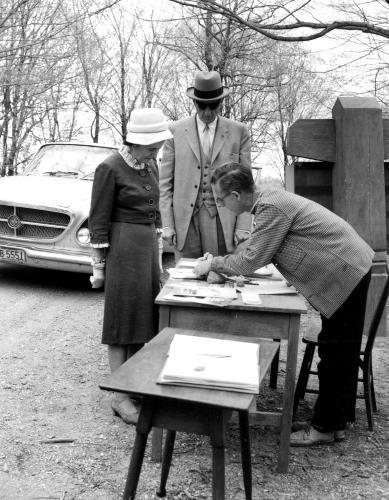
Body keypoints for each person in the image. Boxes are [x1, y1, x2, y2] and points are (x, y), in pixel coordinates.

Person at [193, 162, 374, 446]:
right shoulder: (268, 200)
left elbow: (252, 259)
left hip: (345, 269)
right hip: (346, 267)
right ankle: (333, 422)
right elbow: (258, 248)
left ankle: (325, 428)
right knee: (337, 351)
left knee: (336, 353)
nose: (220, 204)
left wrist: (213, 264)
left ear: (237, 195)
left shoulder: (271, 207)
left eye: (221, 199)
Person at [88, 108, 172, 425]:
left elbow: (158, 210)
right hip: (123, 247)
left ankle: (134, 382)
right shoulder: (109, 167)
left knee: (143, 317)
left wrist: (160, 252)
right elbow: (98, 218)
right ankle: (119, 395)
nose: (156, 153)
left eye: (157, 147)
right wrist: (99, 265)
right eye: (151, 147)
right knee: (122, 320)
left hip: (147, 247)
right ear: (134, 143)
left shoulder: (150, 164)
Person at [160, 70, 252, 262]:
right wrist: (167, 224)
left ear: (221, 102)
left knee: (220, 278)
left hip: (224, 220)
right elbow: (165, 185)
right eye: (202, 106)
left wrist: (243, 225)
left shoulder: (239, 132)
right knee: (186, 281)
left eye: (213, 105)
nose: (208, 112)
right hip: (185, 222)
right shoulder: (174, 132)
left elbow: (246, 184)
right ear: (194, 102)